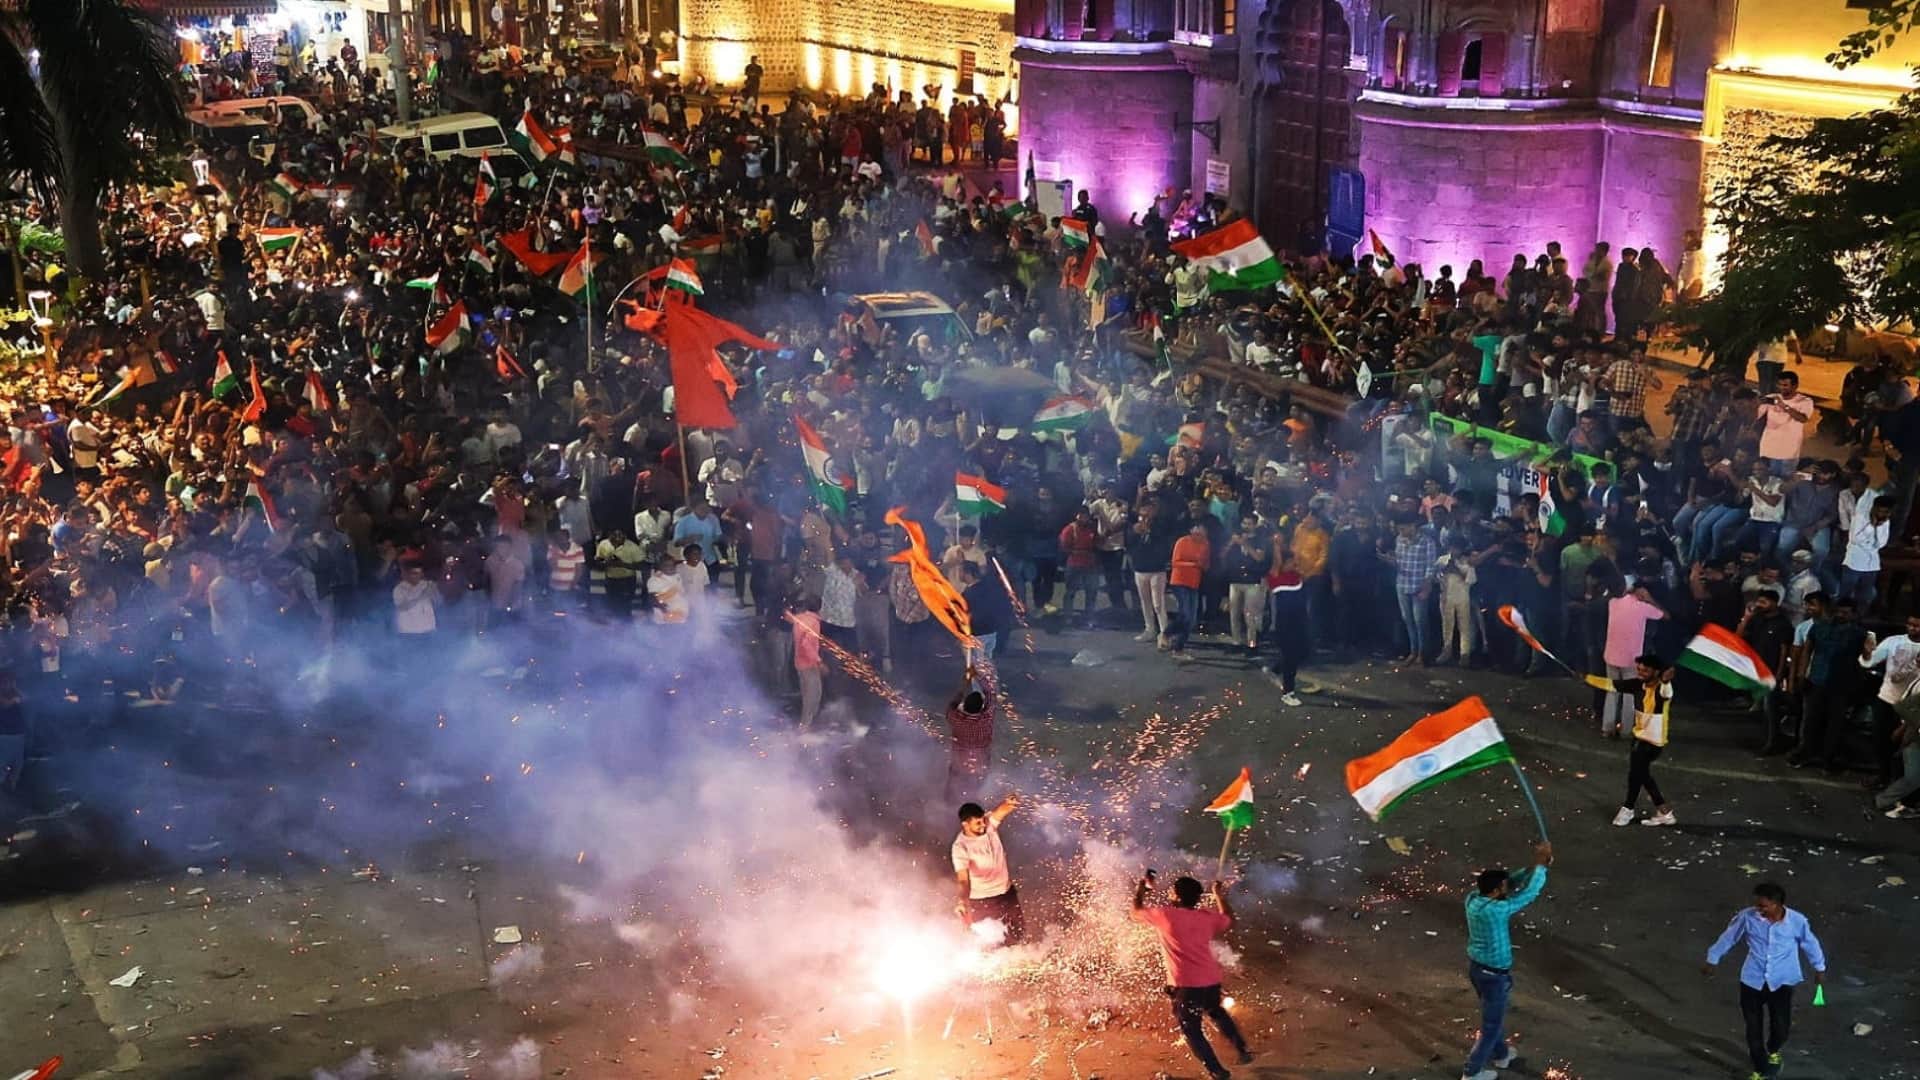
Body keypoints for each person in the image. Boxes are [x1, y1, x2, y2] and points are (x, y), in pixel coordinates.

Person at [1131, 873, 1253, 1080]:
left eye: (1172, 891)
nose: (1169, 893)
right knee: (1216, 1012)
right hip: (1211, 981)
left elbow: (1135, 912)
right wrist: (1219, 895)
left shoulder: (1165, 915)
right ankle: (1242, 1050)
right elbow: (1228, 919)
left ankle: (1217, 1071)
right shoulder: (1206, 918)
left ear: (1178, 896)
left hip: (1186, 986)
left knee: (1192, 1030)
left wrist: (1141, 890)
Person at [1702, 881, 1828, 1080]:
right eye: (1757, 904)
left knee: (1781, 1027)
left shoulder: (1797, 921)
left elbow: (1810, 944)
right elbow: (1729, 937)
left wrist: (1819, 968)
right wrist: (1712, 958)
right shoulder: (1747, 917)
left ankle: (1773, 1049)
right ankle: (1760, 1068)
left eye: (1763, 906)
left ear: (1777, 904)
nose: (1758, 909)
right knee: (1753, 1028)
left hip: (1782, 981)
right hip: (1752, 980)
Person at [1461, 841, 1554, 1080]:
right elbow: (1528, 894)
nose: (1506, 888)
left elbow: (1509, 883)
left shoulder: (1473, 898)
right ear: (1495, 891)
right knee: (1491, 1026)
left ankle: (1501, 1054)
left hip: (1478, 969)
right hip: (1494, 976)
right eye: (1502, 887)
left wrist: (1536, 865)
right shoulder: (1496, 910)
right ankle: (1472, 1072)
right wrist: (1541, 868)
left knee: (1493, 1017)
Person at [1589, 653, 1679, 826]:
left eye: (1645, 671)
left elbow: (1666, 692)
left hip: (1653, 742)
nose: (1640, 673)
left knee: (1637, 774)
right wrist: (1587, 678)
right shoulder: (1637, 684)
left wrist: (1666, 681)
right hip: (1639, 738)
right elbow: (1611, 684)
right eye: (1639, 669)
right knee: (1640, 773)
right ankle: (1663, 811)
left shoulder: (1662, 689)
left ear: (1656, 672)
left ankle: (1628, 809)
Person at [951, 794, 1023, 945]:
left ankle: (1019, 954)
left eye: (983, 820)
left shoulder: (989, 824)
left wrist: (1009, 803)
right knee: (991, 942)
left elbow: (1000, 811)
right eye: (978, 823)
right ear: (965, 824)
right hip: (984, 901)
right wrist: (963, 900)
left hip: (1007, 893)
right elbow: (963, 880)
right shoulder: (960, 847)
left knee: (1017, 932)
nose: (983, 825)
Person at [946, 664, 994, 801]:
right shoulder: (986, 719)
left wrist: (965, 684)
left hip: (958, 763)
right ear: (981, 707)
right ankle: (972, 805)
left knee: (952, 789)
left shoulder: (956, 718)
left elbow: (953, 704)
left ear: (964, 706)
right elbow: (990, 694)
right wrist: (977, 675)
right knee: (975, 790)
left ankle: (948, 805)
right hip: (980, 764)